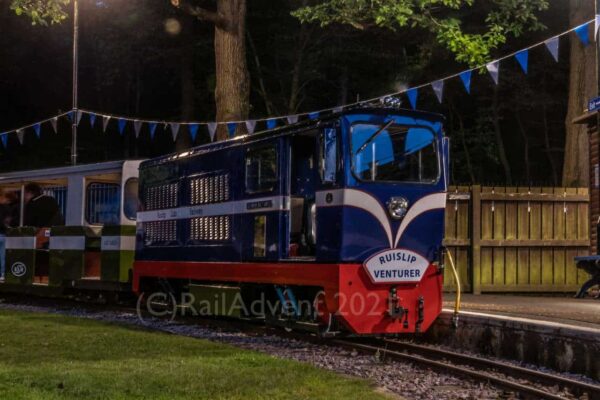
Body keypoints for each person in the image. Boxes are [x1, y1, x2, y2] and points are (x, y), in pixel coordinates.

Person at [0, 189, 12, 278]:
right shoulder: (7, 208)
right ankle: (3, 274)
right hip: (3, 234)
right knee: (3, 255)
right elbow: (7, 221)